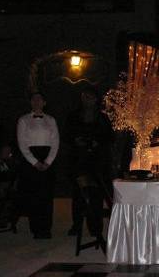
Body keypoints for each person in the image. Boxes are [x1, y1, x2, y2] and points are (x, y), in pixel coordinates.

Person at [64, 86, 113, 237]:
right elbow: (66, 136)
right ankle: (76, 225)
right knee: (79, 194)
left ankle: (95, 228)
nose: (87, 100)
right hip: (79, 160)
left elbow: (110, 137)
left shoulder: (103, 117)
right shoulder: (73, 116)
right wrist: (76, 141)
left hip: (97, 161)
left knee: (96, 196)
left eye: (90, 97)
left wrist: (97, 142)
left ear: (96, 99)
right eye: (84, 97)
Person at [16, 92, 59, 239]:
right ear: (30, 102)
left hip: (47, 159)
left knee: (47, 195)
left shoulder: (51, 120)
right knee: (33, 195)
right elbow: (22, 144)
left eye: (39, 99)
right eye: (33, 99)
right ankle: (36, 228)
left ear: (44, 102)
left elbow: (55, 142)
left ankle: (46, 228)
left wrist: (48, 161)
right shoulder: (23, 120)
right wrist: (34, 162)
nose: (36, 101)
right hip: (30, 160)